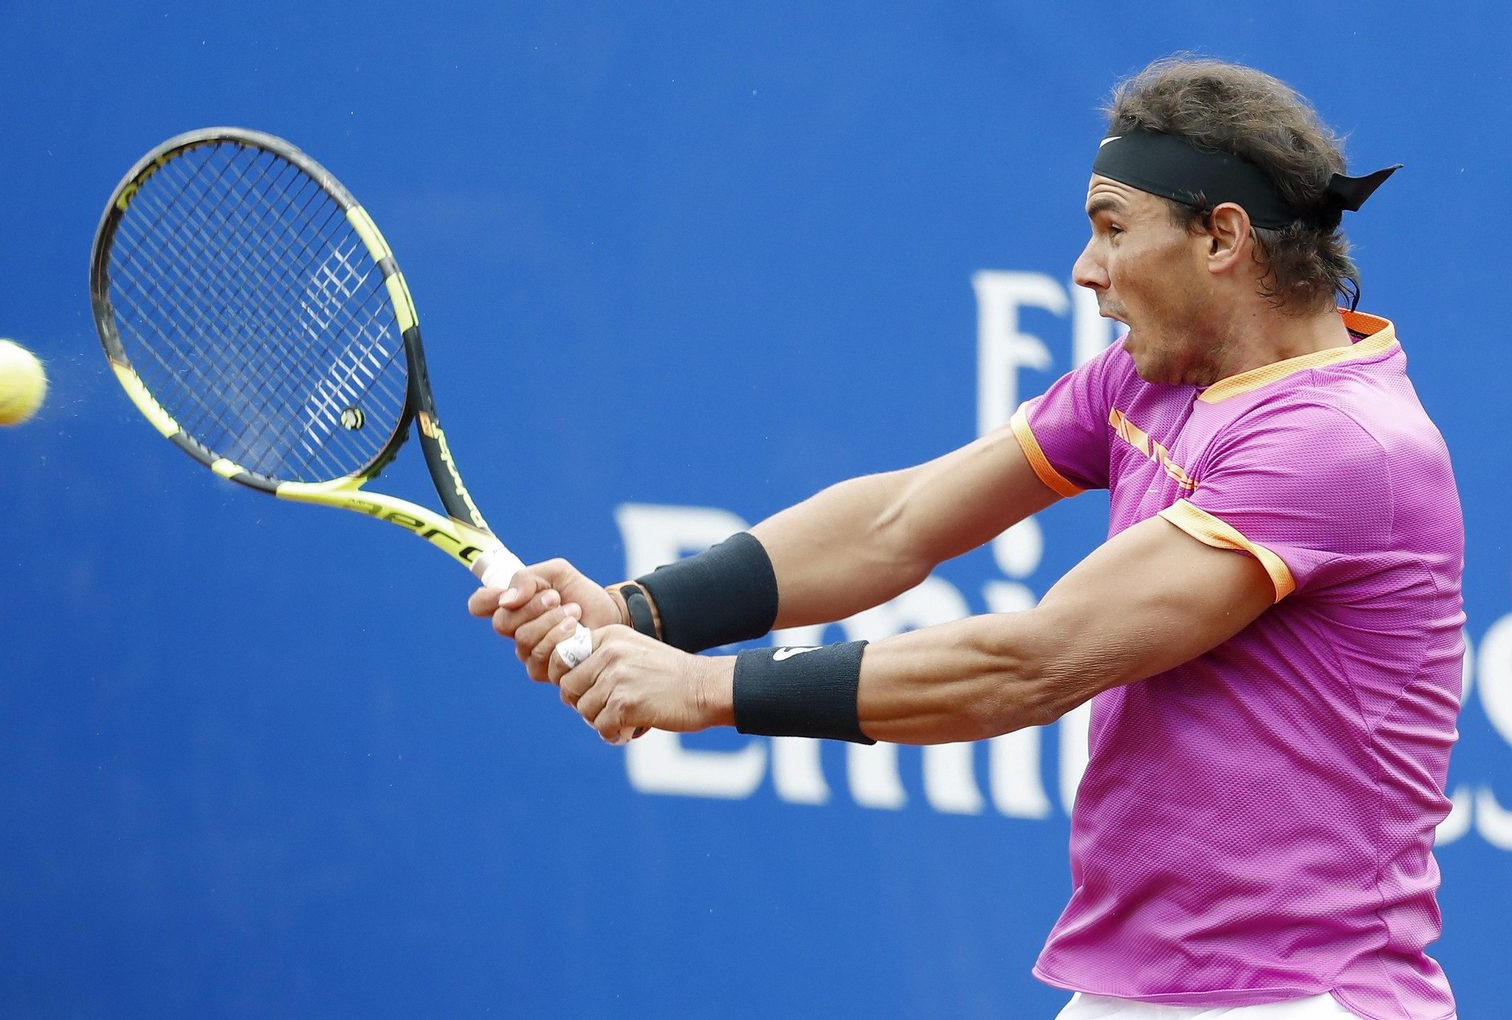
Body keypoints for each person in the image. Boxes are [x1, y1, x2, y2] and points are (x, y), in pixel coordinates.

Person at [469, 56, 1462, 1020]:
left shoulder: (1340, 443)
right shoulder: (1152, 378)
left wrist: (701, 690)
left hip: (1302, 996)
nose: (1086, 270)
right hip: (1150, 986)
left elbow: (1032, 662)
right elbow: (899, 522)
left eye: (1112, 230)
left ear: (1221, 238)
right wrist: (640, 611)